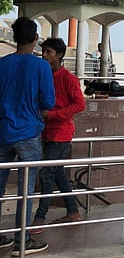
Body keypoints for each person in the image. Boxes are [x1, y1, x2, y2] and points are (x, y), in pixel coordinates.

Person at [0, 17, 54, 255]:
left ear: (14, 38)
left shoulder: (2, 64)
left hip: (2, 131)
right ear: (35, 39)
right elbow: (48, 101)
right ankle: (22, 239)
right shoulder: (41, 66)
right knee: (26, 189)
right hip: (29, 132)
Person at [32, 37, 86, 227]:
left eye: (49, 52)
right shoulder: (43, 75)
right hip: (46, 132)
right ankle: (72, 211)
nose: (44, 55)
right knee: (57, 173)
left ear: (59, 55)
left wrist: (54, 115)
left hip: (61, 134)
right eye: (43, 51)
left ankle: (40, 217)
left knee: (47, 174)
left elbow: (80, 104)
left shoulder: (68, 78)